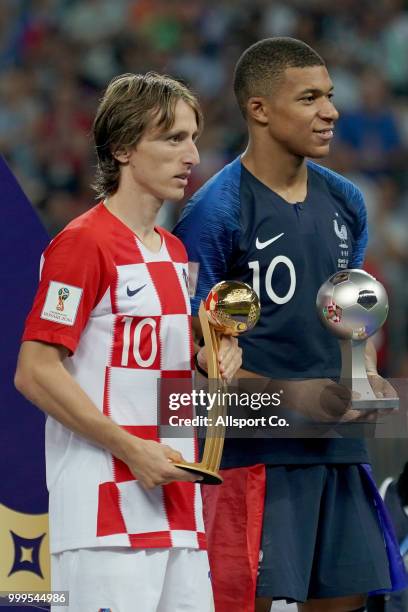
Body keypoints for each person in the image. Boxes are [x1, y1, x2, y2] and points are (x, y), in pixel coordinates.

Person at [174, 38, 406, 612]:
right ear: (260, 109)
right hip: (255, 456)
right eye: (309, 98)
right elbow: (190, 358)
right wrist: (290, 397)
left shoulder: (348, 201)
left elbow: (351, 313)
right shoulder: (215, 210)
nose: (331, 111)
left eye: (328, 96)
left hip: (338, 447)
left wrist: (365, 371)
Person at [15, 72, 242, 612]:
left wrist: (208, 356)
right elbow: (34, 371)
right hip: (103, 516)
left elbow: (148, 359)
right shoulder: (82, 244)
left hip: (177, 506)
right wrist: (131, 449)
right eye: (172, 139)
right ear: (121, 148)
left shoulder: (173, 252)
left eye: (193, 138)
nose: (191, 155)